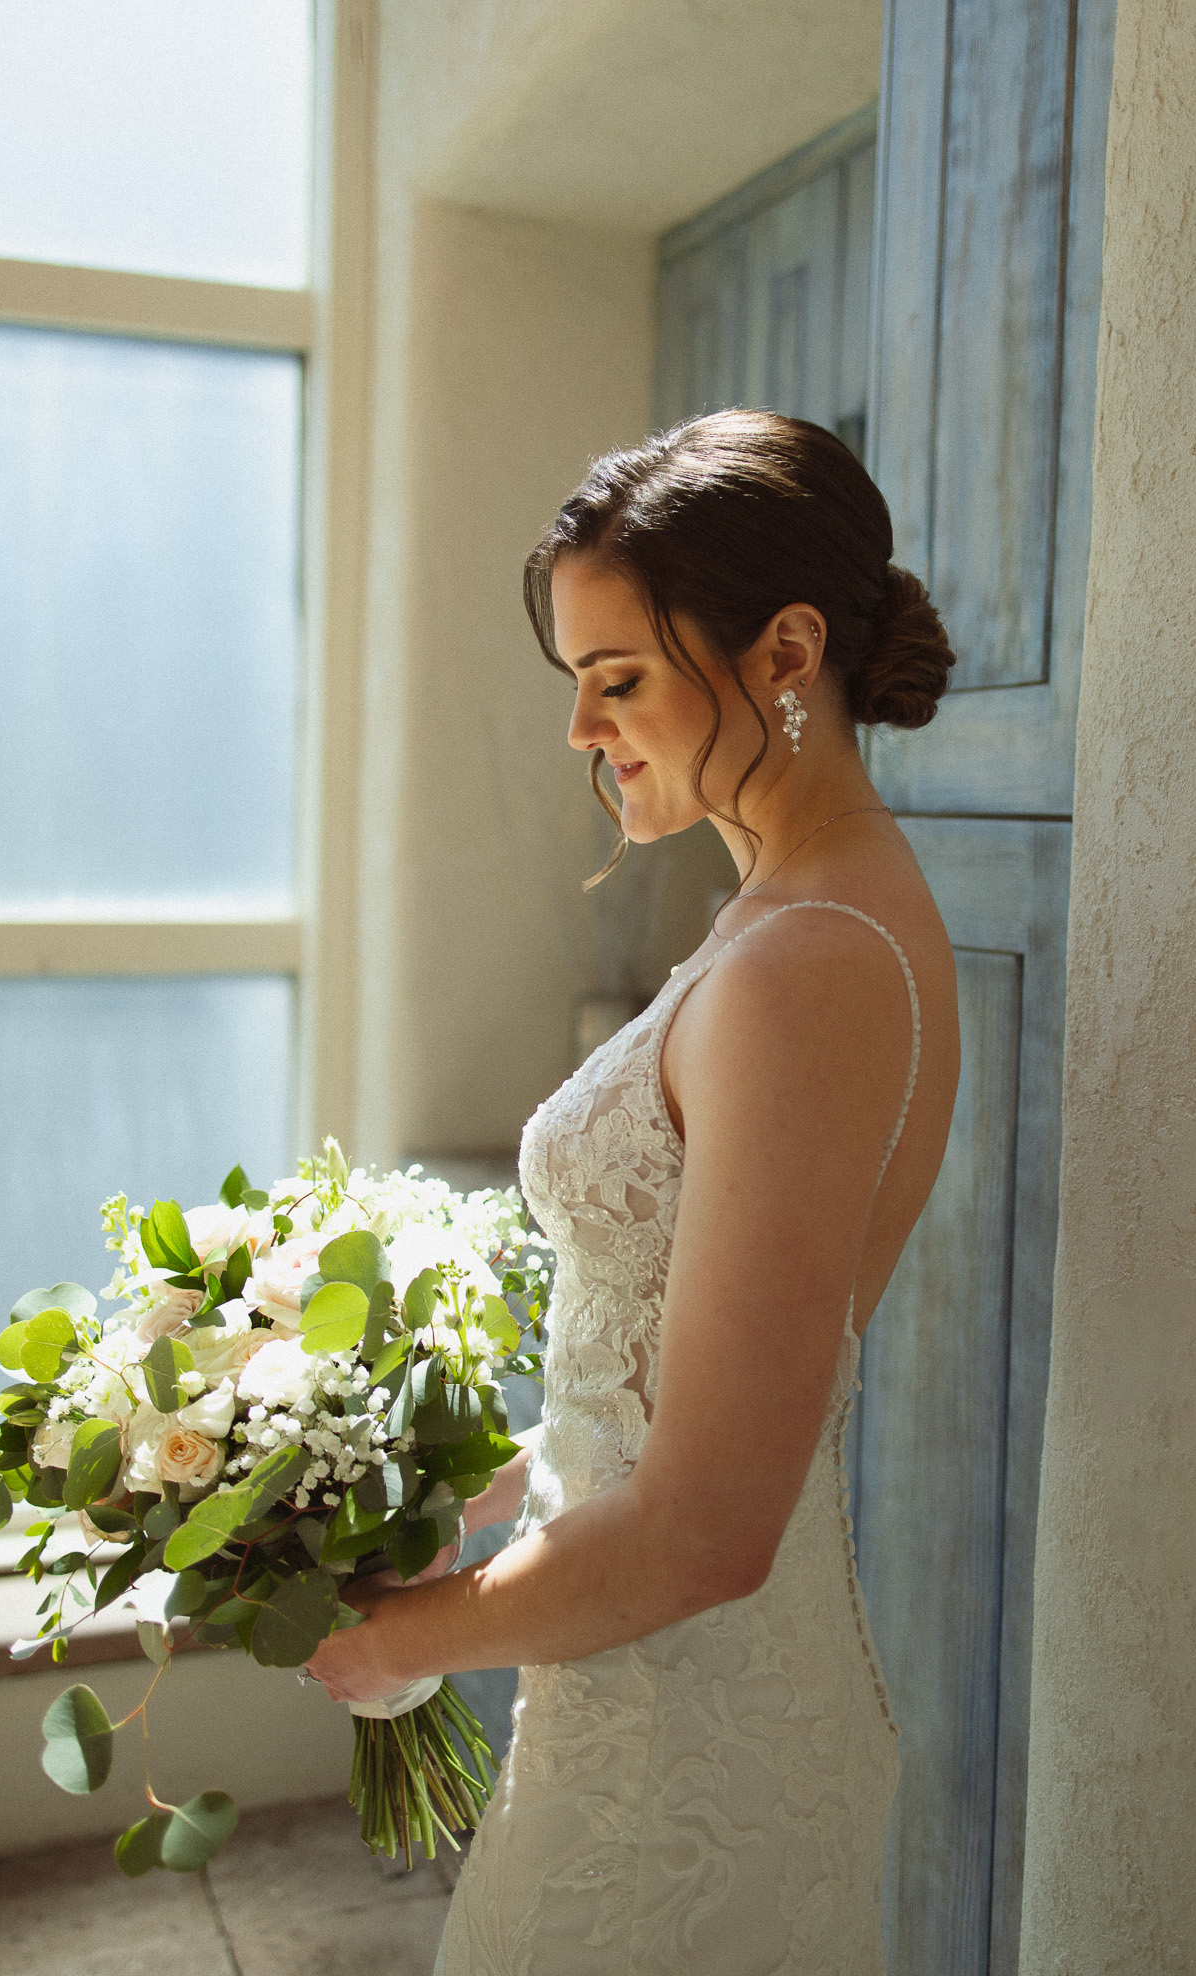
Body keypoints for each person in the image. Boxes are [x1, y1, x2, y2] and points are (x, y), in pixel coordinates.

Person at [310, 409, 960, 1974]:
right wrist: (436, 1504)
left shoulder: (807, 965)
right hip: (656, 1697)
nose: (584, 728)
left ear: (786, 650)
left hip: (690, 1738)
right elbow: (666, 1401)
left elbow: (708, 1522)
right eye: (574, 684)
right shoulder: (797, 917)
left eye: (620, 679)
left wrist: (397, 1639)